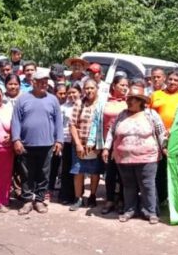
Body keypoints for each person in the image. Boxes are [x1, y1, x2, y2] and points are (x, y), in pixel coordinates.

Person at [104, 84, 166, 224]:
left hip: (147, 157)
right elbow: (112, 132)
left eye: (133, 99)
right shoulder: (121, 115)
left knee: (147, 185)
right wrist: (107, 148)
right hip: (123, 158)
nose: (129, 101)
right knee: (128, 185)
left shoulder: (151, 114)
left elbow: (161, 132)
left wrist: (164, 147)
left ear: (141, 101)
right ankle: (129, 210)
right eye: (129, 98)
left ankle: (150, 212)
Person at [11, 69, 63, 214]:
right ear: (33, 82)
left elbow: (59, 121)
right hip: (26, 144)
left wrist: (59, 140)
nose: (43, 84)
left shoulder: (53, 99)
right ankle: (27, 200)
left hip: (47, 144)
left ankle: (39, 200)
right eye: (40, 82)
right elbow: (15, 120)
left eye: (45, 82)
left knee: (44, 174)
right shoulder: (23, 99)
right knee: (26, 174)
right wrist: (16, 139)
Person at [68, 77, 103, 210]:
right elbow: (72, 124)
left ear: (97, 89)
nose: (89, 91)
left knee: (95, 171)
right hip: (80, 143)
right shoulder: (79, 103)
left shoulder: (101, 103)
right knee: (78, 171)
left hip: (96, 145)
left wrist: (99, 144)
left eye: (91, 88)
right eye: (86, 88)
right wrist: (77, 144)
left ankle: (92, 196)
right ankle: (78, 198)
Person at [100, 74, 130, 214]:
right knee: (110, 173)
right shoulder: (105, 101)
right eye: (122, 85)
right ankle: (110, 200)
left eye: (126, 85)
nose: (124, 88)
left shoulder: (129, 103)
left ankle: (122, 200)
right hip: (108, 142)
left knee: (123, 174)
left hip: (125, 144)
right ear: (114, 86)